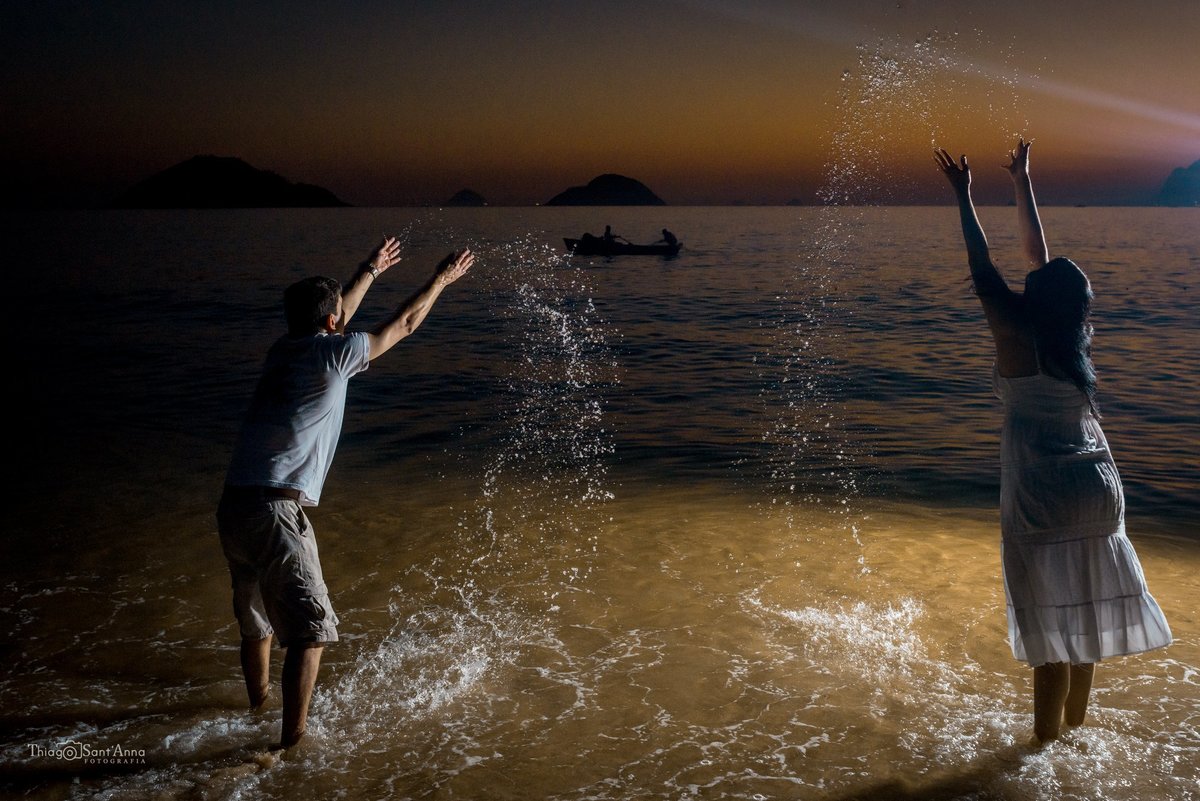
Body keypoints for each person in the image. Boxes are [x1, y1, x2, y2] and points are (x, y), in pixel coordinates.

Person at [934, 138, 1172, 745]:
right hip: (1098, 486)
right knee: (1085, 620)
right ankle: (1073, 738)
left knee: (1049, 637)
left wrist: (963, 197)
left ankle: (1040, 761)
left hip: (1042, 493)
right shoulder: (1074, 341)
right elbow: (1038, 262)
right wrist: (1022, 182)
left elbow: (984, 267)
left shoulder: (1015, 334)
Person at [217, 237, 474, 750]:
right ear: (333, 323)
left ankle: (257, 709)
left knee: (257, 623)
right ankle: (289, 747)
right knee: (310, 633)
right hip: (274, 511)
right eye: (339, 314)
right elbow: (402, 323)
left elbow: (332, 317)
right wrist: (442, 280)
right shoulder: (337, 354)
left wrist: (370, 271)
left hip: (234, 507)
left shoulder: (283, 350)